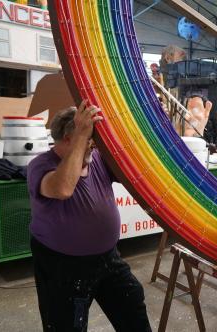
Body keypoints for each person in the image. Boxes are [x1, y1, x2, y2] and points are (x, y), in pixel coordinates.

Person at [27, 101, 152, 331]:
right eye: (88, 140)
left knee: (132, 306)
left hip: (107, 257)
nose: (92, 146)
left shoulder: (96, 160)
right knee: (66, 324)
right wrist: (81, 136)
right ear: (68, 139)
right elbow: (63, 188)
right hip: (63, 266)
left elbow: (134, 170)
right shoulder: (40, 166)